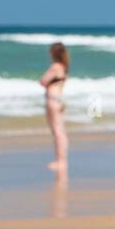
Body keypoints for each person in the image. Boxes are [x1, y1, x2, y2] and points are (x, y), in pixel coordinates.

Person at [40, 42, 69, 172]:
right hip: (59, 99)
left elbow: (42, 81)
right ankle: (61, 160)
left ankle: (61, 161)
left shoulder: (55, 66)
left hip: (53, 100)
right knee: (60, 132)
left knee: (57, 132)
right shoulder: (64, 67)